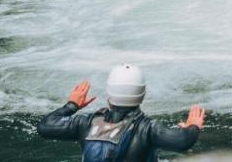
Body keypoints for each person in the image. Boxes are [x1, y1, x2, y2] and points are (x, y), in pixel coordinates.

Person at [38, 64, 205, 161]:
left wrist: (72, 105)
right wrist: (192, 127)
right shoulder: (148, 129)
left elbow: (45, 127)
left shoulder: (85, 123)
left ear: (109, 93)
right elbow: (184, 141)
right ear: (143, 94)